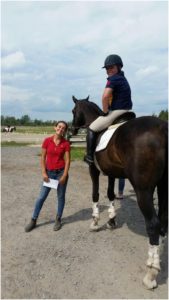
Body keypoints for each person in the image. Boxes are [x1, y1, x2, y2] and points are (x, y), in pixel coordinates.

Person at [84, 54, 133, 165]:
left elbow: (105, 96)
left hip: (116, 112)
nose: (108, 70)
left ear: (119, 67)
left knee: (92, 128)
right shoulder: (122, 78)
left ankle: (90, 156)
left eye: (111, 67)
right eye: (107, 68)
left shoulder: (113, 79)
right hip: (127, 111)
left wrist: (105, 112)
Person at [25, 121, 70, 232]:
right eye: (59, 127)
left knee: (60, 197)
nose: (61, 129)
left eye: (63, 128)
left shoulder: (65, 143)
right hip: (49, 173)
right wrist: (44, 172)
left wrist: (64, 175)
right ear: (55, 128)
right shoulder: (47, 141)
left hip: (60, 173)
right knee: (41, 197)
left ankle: (58, 219)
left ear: (65, 131)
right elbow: (42, 157)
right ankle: (33, 220)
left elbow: (68, 160)